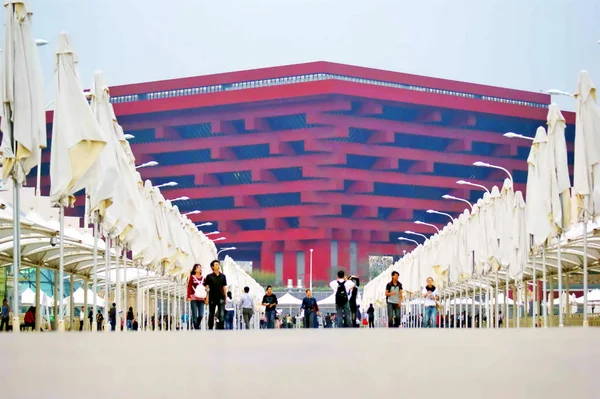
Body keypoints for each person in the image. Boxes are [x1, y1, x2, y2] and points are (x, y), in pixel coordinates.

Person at [204, 260, 227, 330]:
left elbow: (224, 287)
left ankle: (221, 327)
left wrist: (225, 297)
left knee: (221, 314)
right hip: (212, 297)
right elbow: (207, 288)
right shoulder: (209, 276)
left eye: (218, 264)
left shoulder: (223, 276)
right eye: (216, 265)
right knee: (211, 313)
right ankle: (210, 327)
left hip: (221, 297)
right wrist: (207, 297)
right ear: (212, 267)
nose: (218, 266)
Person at [187, 264, 207, 330]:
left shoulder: (204, 278)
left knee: (201, 314)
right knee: (194, 314)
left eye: (200, 267)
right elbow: (189, 287)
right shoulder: (192, 277)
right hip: (193, 297)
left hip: (201, 298)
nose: (200, 269)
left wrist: (207, 298)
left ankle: (196, 326)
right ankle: (196, 328)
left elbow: (207, 288)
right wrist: (188, 296)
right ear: (195, 270)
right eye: (198, 268)